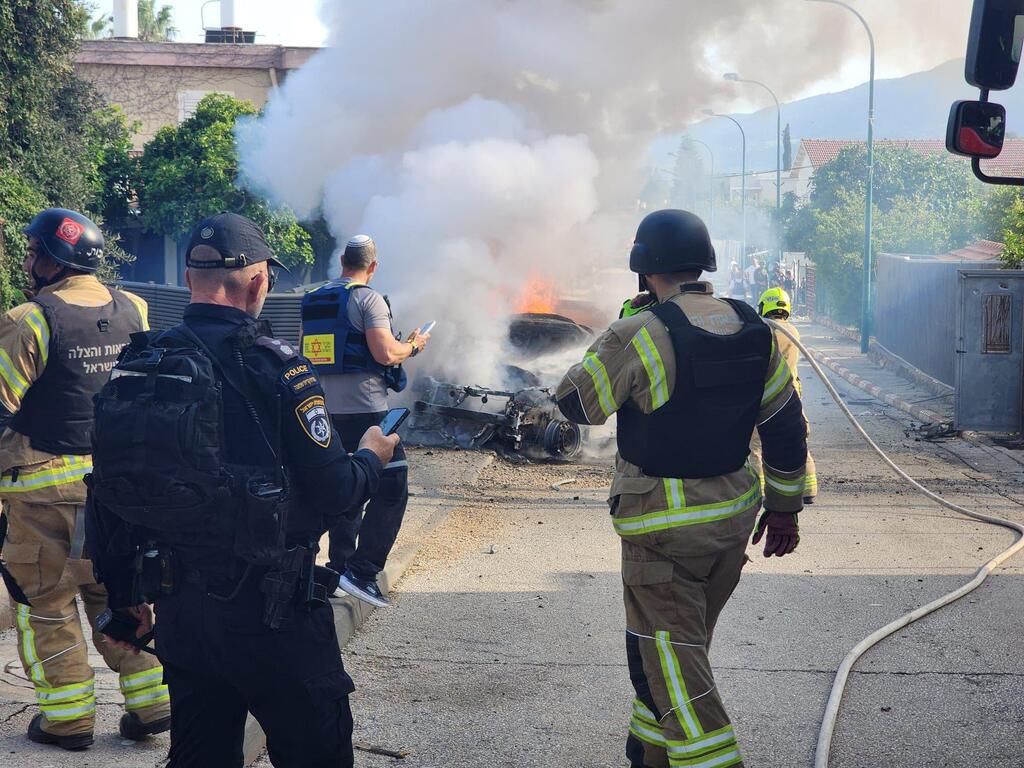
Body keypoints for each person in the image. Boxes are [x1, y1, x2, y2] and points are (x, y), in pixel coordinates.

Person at [86, 213, 399, 767]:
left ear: (189, 279)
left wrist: (122, 595)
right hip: (273, 615)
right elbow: (336, 492)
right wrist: (372, 458)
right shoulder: (278, 369)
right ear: (258, 283)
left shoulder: (141, 362)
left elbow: (110, 489)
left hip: (181, 614)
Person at [556, 209, 808, 768]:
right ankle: (649, 755)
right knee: (668, 654)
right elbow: (786, 427)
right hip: (732, 526)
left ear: (643, 270)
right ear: (704, 263)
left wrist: (616, 333)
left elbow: (576, 403)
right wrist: (785, 510)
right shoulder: (754, 329)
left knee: (674, 666)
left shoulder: (638, 332)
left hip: (662, 536)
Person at [0, 208, 168, 750]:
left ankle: (68, 720)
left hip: (40, 493)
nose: (27, 261)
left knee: (46, 603)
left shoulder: (29, 319)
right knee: (116, 592)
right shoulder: (135, 310)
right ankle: (153, 701)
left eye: (32, 251)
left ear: (54, 259)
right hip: (118, 490)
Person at [301, 234, 430, 607]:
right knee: (393, 485)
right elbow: (385, 351)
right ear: (372, 266)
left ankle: (338, 566)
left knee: (346, 483)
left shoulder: (313, 300)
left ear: (341, 260)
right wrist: (414, 346)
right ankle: (362, 571)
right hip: (367, 410)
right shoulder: (368, 298)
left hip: (323, 410)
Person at [757, 287, 817, 503]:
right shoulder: (792, 330)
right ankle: (808, 489)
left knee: (755, 443)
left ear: (764, 306)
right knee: (798, 440)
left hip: (768, 393)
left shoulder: (766, 330)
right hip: (792, 392)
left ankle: (762, 491)